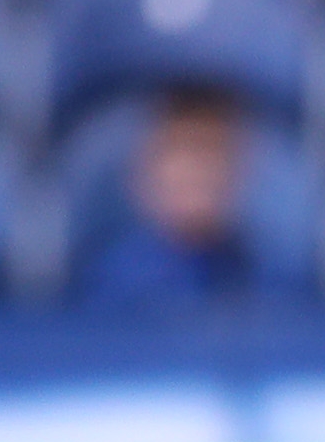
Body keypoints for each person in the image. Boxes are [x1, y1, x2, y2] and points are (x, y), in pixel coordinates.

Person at [76, 88, 262, 306]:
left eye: (211, 156)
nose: (196, 173)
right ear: (142, 174)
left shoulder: (253, 269)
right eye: (180, 157)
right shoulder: (111, 278)